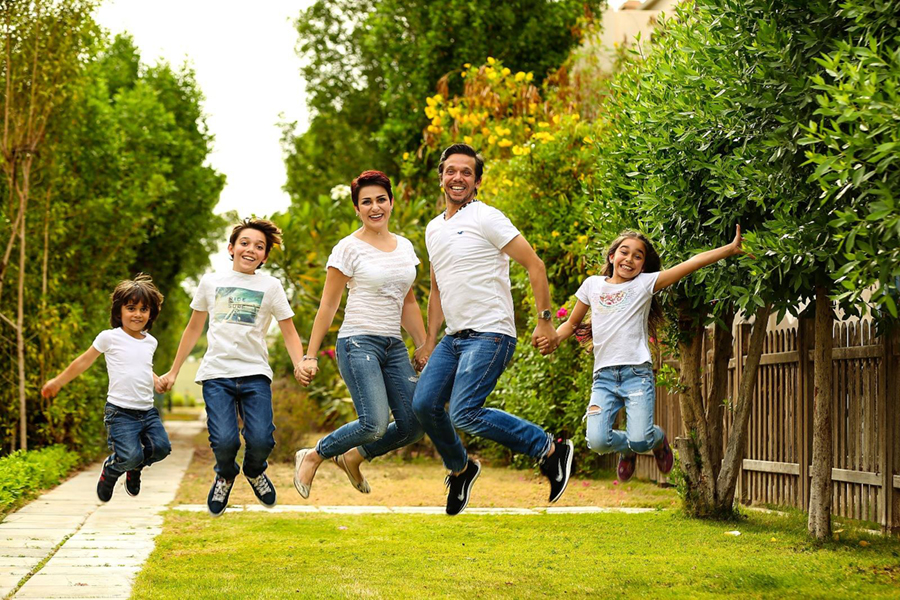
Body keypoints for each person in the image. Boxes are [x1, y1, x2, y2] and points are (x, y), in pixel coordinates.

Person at [412, 143, 574, 516]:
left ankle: (550, 449)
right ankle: (462, 468)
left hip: (491, 333)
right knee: (423, 404)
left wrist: (545, 319)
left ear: (477, 181)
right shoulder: (434, 229)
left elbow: (535, 265)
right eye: (451, 171)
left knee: (465, 412)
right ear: (441, 178)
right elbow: (437, 290)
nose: (458, 178)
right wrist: (429, 341)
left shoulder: (487, 218)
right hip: (454, 338)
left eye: (466, 172)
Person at [540, 226, 745, 482]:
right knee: (598, 441)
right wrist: (555, 339)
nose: (630, 259)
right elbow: (571, 324)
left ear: (643, 265)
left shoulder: (644, 284)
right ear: (612, 256)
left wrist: (729, 249)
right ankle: (626, 448)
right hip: (603, 378)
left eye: (638, 256)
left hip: (637, 374)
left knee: (641, 439)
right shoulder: (592, 285)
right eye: (624, 252)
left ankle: (657, 440)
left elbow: (690, 264)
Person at [293, 170, 426, 498]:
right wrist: (310, 355)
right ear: (357, 208)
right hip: (357, 342)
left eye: (381, 199)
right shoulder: (347, 248)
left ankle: (354, 457)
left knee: (413, 425)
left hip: (393, 345)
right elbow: (327, 305)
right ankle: (313, 455)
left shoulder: (405, 248)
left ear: (391, 202)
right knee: (373, 423)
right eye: (366, 201)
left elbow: (407, 300)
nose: (375, 206)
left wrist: (424, 345)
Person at [158, 218, 305, 516]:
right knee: (224, 441)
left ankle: (254, 471)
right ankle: (225, 474)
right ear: (231, 248)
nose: (251, 249)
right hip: (217, 374)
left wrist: (299, 363)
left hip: (255, 373)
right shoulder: (211, 282)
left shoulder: (271, 286)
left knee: (261, 439)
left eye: (259, 247)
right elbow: (193, 328)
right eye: (245, 243)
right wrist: (173, 371)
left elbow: (288, 330)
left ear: (265, 257)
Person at [42, 275, 170, 502]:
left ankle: (134, 469)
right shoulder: (109, 338)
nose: (137, 314)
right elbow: (83, 361)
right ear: (119, 310)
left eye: (144, 309)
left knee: (161, 448)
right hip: (120, 412)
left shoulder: (151, 341)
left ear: (151, 314)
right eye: (131, 308)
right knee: (130, 455)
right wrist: (58, 382)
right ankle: (112, 470)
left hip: (147, 410)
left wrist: (156, 380)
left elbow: (141, 368)